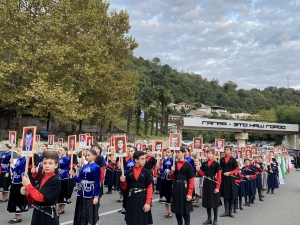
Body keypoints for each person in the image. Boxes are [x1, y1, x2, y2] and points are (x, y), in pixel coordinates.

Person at [21, 151, 61, 225]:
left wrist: (28, 185)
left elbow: (40, 197)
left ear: (56, 165)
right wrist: (28, 194)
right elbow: (34, 200)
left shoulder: (55, 180)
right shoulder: (42, 176)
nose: (47, 165)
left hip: (48, 214)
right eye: (45, 163)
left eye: (50, 163)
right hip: (38, 212)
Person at [120, 151, 153, 225]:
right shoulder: (129, 172)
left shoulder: (147, 172)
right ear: (136, 160)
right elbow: (125, 187)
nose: (144, 160)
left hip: (142, 198)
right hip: (131, 198)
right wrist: (123, 182)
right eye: (142, 159)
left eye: (145, 158)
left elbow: (150, 188)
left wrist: (148, 203)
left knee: (142, 221)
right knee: (131, 221)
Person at [70, 149, 101, 225]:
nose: (87, 157)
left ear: (94, 156)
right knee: (81, 210)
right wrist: (73, 175)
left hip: (90, 192)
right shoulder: (84, 166)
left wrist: (96, 196)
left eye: (89, 155)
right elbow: (79, 180)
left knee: (89, 211)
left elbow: (97, 183)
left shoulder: (97, 167)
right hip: (81, 192)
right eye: (86, 155)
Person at [196, 148, 221, 225]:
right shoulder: (204, 163)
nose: (208, 154)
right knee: (208, 201)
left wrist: (217, 187)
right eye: (207, 153)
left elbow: (219, 176)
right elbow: (201, 174)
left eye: (209, 153)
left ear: (213, 154)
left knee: (214, 202)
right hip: (206, 183)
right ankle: (209, 218)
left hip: (213, 183)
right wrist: (198, 169)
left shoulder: (216, 164)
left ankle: (215, 219)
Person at [170, 147, 194, 225]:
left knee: (185, 212)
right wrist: (172, 172)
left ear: (184, 153)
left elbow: (191, 180)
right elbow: (171, 178)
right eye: (176, 152)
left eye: (179, 152)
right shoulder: (174, 164)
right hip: (176, 188)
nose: (177, 154)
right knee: (177, 212)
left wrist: (190, 193)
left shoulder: (188, 165)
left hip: (184, 188)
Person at [7, 146, 28, 224]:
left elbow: (21, 172)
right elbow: (14, 171)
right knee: (14, 198)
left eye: (18, 151)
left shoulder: (24, 160)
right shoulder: (19, 160)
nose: (16, 152)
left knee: (18, 199)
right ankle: (16, 215)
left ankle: (18, 217)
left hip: (20, 182)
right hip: (14, 181)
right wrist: (11, 164)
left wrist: (14, 167)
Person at [219, 146, 239, 218]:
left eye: (227, 150)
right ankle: (226, 211)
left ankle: (230, 211)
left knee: (231, 194)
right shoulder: (221, 159)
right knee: (225, 195)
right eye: (225, 150)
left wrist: (230, 173)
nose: (226, 151)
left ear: (230, 151)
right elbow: (220, 169)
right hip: (224, 179)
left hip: (231, 178)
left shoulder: (233, 159)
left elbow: (237, 170)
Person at [119, 146, 136, 214]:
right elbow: (124, 169)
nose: (130, 152)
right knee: (126, 193)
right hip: (127, 178)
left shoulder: (137, 160)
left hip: (135, 179)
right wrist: (123, 172)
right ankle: (125, 207)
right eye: (129, 151)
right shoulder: (126, 160)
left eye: (132, 151)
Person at [57, 147, 71, 214]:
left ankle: (62, 208)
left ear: (66, 151)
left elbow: (68, 168)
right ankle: (59, 206)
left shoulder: (67, 159)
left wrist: (63, 174)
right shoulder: (60, 158)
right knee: (59, 192)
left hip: (64, 177)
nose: (60, 151)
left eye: (62, 150)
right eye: (60, 150)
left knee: (63, 192)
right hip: (59, 176)